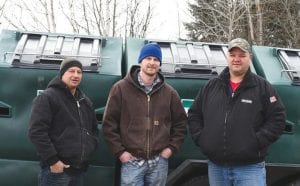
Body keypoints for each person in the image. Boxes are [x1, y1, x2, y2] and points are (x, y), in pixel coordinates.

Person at [188, 38, 286, 186]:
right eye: (233, 55)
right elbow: (194, 115)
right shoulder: (211, 87)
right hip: (216, 168)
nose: (237, 59)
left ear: (250, 58)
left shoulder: (263, 88)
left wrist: (256, 141)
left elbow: (277, 119)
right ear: (227, 57)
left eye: (242, 55)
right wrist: (203, 139)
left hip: (250, 169)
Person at [102, 43, 187, 186]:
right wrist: (121, 153)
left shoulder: (170, 93)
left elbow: (181, 124)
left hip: (159, 162)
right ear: (140, 61)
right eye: (148, 58)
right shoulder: (120, 89)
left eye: (156, 59)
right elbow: (109, 124)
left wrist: (170, 149)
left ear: (160, 64)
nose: (152, 63)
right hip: (132, 162)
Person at [28, 58, 99, 186]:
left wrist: (89, 152)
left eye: (79, 72)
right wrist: (53, 161)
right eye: (71, 71)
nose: (76, 75)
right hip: (56, 171)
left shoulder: (85, 102)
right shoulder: (47, 97)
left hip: (78, 171)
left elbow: (94, 130)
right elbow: (36, 132)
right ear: (62, 73)